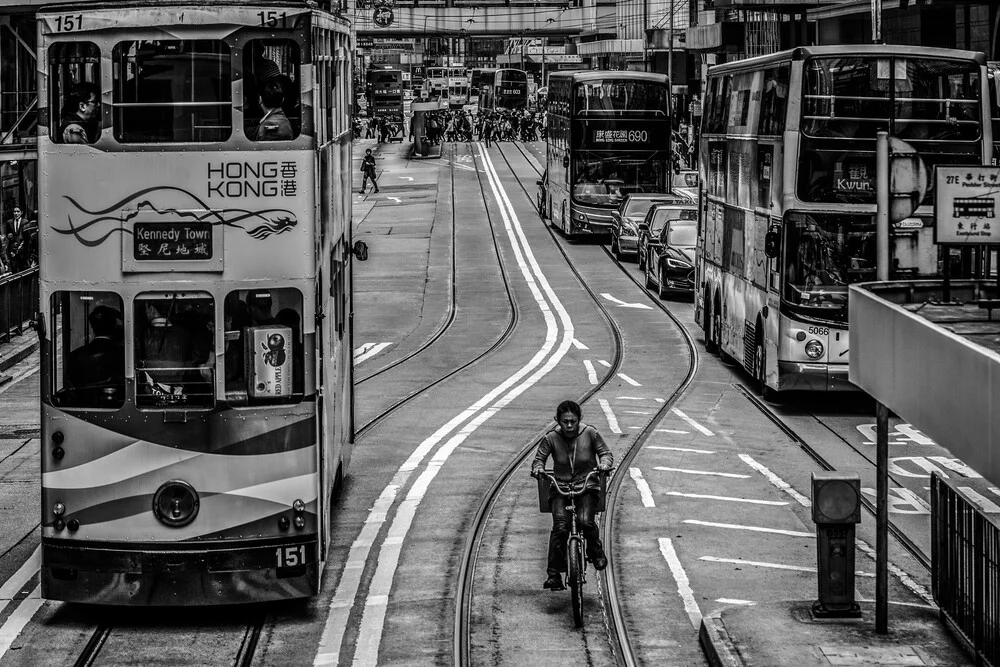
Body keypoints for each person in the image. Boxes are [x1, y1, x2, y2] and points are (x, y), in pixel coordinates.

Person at [531, 400, 613, 591]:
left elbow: (606, 453)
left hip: (586, 486)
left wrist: (604, 465)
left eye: (573, 421)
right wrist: (538, 469)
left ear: (579, 420)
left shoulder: (590, 433)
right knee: (560, 527)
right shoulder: (551, 438)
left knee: (585, 521)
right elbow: (539, 459)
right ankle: (554, 575)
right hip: (560, 488)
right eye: (565, 421)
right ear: (557, 420)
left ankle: (595, 550)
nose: (569, 426)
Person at [67, 305, 125, 399]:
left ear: (92, 328)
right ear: (115, 327)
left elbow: (71, 386)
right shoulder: (123, 354)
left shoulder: (75, 355)